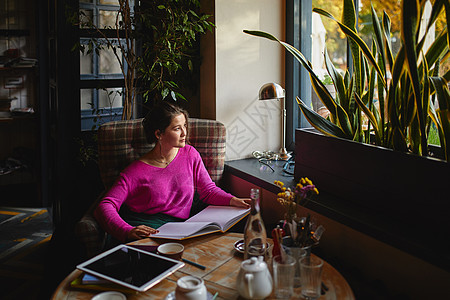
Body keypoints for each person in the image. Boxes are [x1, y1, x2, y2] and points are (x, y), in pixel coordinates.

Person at [94, 101, 251, 244]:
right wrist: (127, 230)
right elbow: (105, 205)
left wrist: (233, 200)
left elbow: (208, 190)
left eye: (185, 126)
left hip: (181, 228)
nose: (184, 133)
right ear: (159, 134)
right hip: (149, 230)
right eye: (177, 128)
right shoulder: (134, 172)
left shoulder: (190, 154)